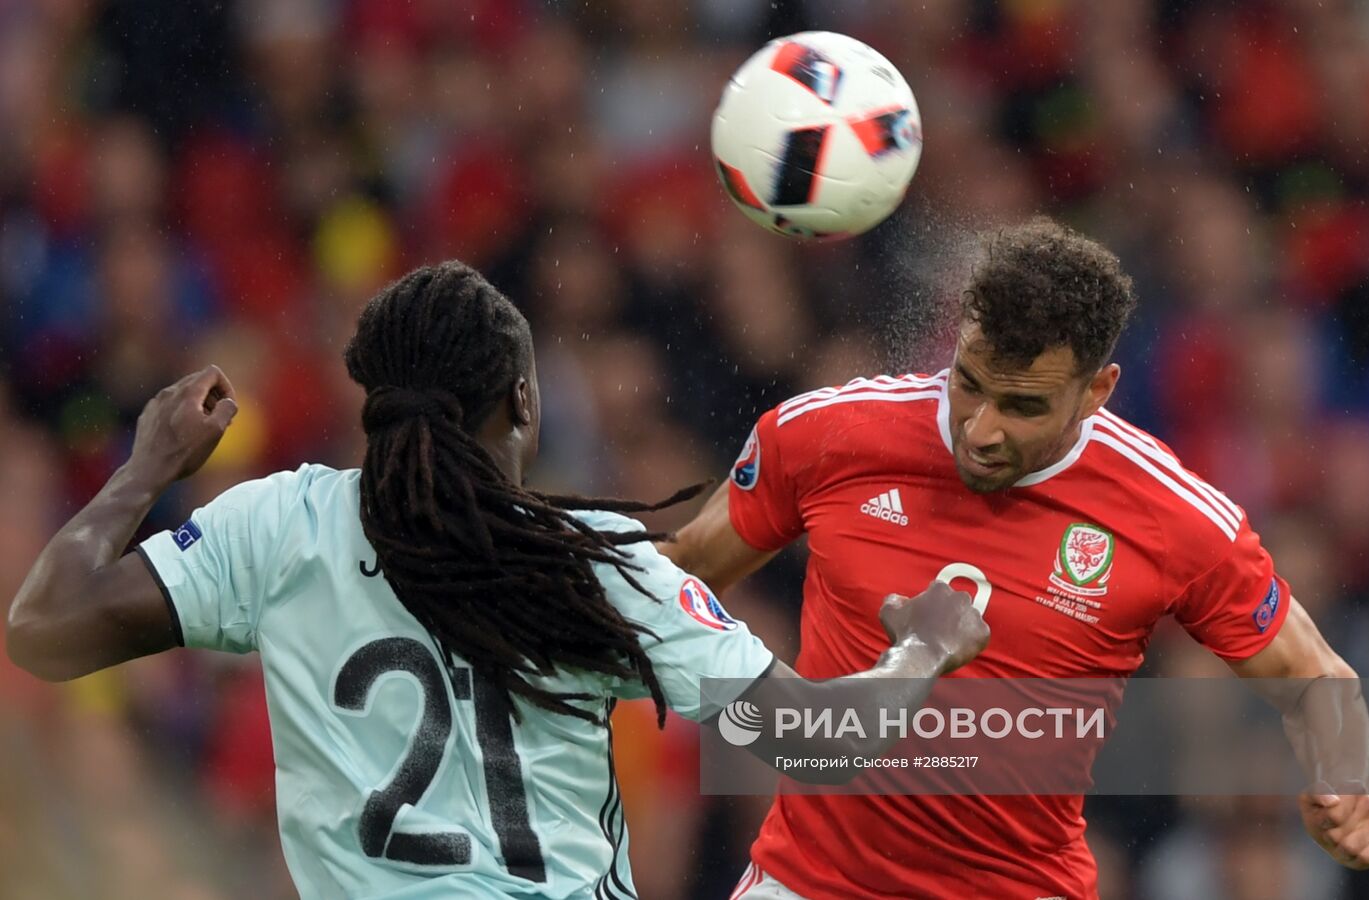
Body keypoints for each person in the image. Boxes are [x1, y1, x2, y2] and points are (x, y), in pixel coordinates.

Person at [6, 261, 988, 899]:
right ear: (522, 400)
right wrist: (925, 645)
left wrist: (144, 467)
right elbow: (821, 744)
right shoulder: (591, 562)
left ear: (373, 407)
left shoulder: (278, 527)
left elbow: (45, 627)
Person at [663, 219, 1369, 900]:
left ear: (1095, 392)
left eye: (1022, 406)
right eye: (969, 384)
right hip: (806, 882)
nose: (980, 430)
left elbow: (1313, 674)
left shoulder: (1173, 517)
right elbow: (678, 576)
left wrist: (1344, 779)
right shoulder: (825, 436)